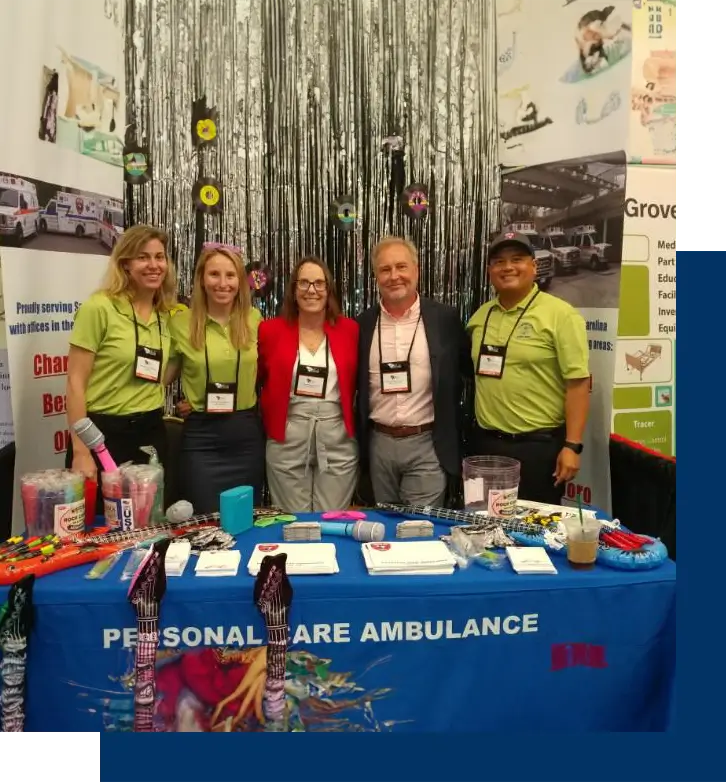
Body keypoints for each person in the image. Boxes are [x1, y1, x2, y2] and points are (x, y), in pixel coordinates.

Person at [466, 230, 591, 505]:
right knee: (483, 528)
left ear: (534, 266)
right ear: (490, 270)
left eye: (517, 259)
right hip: (486, 446)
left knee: (533, 534)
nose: (508, 267)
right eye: (499, 261)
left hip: (538, 449)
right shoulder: (479, 318)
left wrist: (572, 446)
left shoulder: (561, 315)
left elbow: (578, 384)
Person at [66, 224, 177, 511]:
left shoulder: (166, 315)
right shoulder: (99, 308)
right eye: (143, 257)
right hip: (102, 434)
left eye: (160, 257)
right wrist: (81, 450)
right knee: (100, 527)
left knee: (148, 523)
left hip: (150, 432)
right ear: (125, 264)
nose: (154, 265)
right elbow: (75, 382)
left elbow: (162, 375)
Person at [356, 236, 470, 507]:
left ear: (416, 270)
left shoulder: (445, 319)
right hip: (378, 446)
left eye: (401, 267)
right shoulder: (362, 324)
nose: (394, 276)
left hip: (428, 444)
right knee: (384, 529)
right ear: (376, 276)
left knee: (420, 530)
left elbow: (466, 373)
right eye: (385, 269)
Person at [167, 246, 265, 513]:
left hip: (245, 435)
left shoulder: (254, 320)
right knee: (205, 521)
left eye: (230, 275)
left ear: (240, 281)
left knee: (244, 520)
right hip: (202, 439)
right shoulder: (180, 323)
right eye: (214, 274)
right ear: (201, 279)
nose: (223, 283)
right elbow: (162, 377)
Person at [258, 257, 359, 512]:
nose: (311, 290)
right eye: (303, 283)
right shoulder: (269, 331)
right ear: (293, 290)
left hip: (337, 436)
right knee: (293, 522)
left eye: (318, 283)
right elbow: (255, 380)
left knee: (332, 519)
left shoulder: (350, 330)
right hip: (288, 434)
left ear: (329, 289)